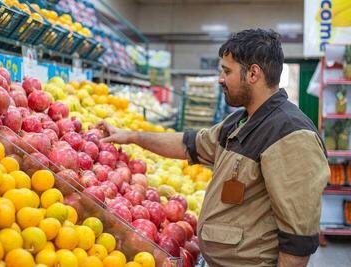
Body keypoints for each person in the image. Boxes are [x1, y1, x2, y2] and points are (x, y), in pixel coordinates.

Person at [97, 29, 330, 267]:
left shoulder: (290, 133)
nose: (220, 78)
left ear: (253, 73)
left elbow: (298, 237)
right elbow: (188, 144)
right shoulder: (241, 121)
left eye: (227, 71)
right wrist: (131, 136)